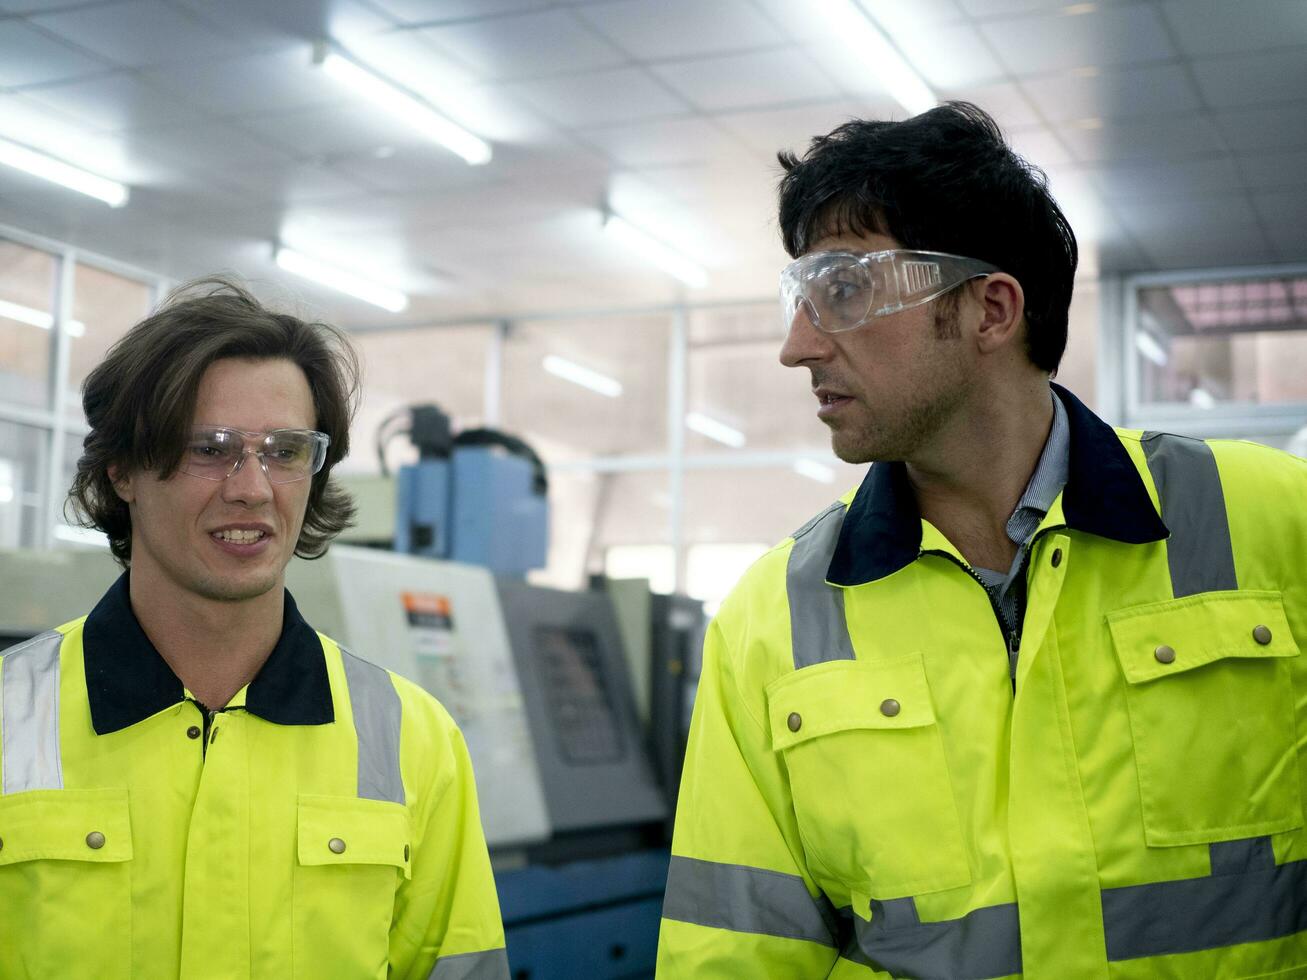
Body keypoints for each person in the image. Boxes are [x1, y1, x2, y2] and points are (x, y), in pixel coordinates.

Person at [657, 103, 1307, 978]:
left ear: (990, 310)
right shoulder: (775, 617)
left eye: (842, 290)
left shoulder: (1271, 523)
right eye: (800, 297)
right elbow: (735, 955)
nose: (796, 345)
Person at [0, 279, 508, 979]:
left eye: (285, 450)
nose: (251, 487)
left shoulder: (413, 740)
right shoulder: (9, 716)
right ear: (122, 471)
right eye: (208, 448)